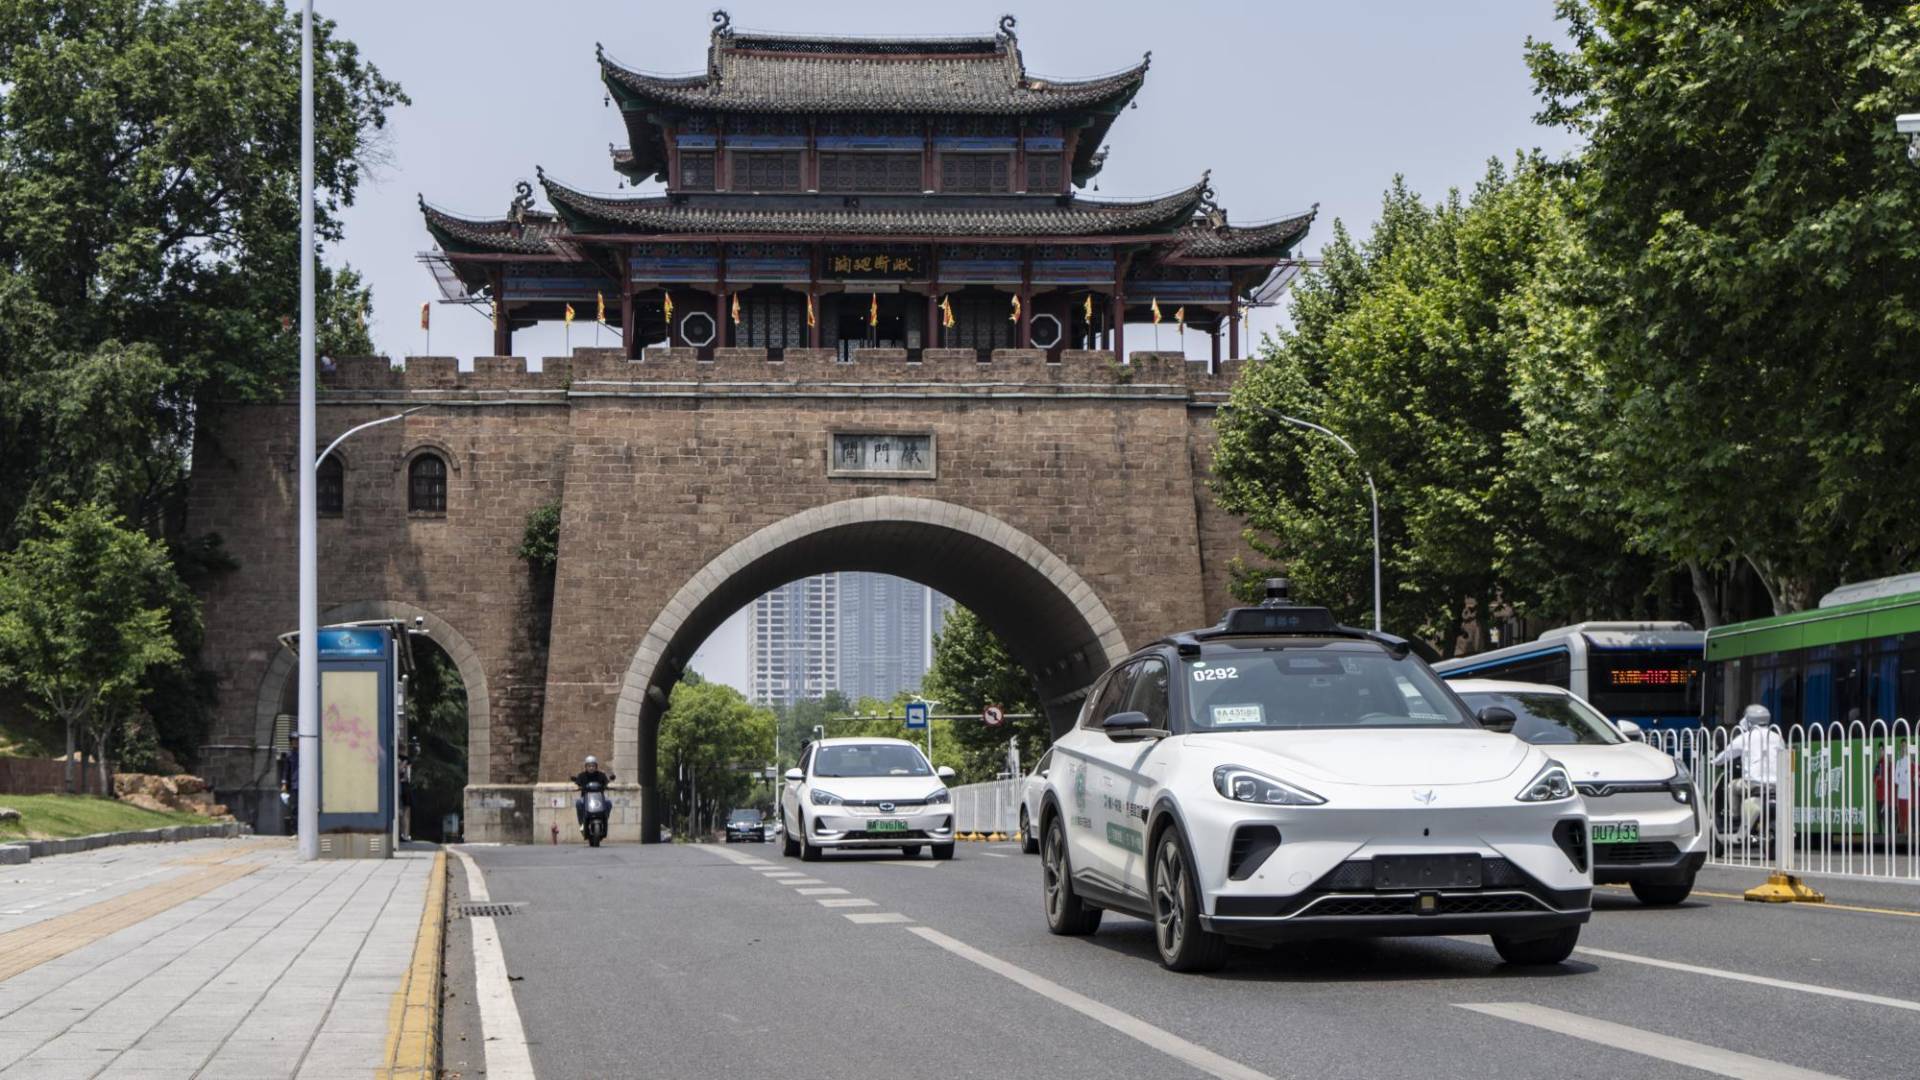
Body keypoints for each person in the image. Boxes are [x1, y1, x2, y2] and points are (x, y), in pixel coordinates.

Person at [1713, 704, 1784, 839]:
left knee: (1731, 786)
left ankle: (1734, 817)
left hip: (1753, 783)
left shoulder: (1746, 737)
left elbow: (1727, 754)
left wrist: (1715, 762)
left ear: (1749, 720)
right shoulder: (1777, 737)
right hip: (1777, 784)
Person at [571, 755, 612, 826]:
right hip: (585, 798)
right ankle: (582, 823)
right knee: (578, 803)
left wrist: (608, 785)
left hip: (600, 798)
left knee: (608, 803)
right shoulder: (581, 775)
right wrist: (576, 787)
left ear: (596, 766)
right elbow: (576, 784)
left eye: (593, 766)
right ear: (586, 767)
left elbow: (606, 783)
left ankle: (605, 819)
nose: (591, 768)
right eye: (589, 766)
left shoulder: (601, 775)